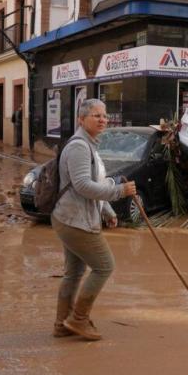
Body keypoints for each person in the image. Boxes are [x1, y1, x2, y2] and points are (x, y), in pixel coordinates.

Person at [51, 98, 136, 341]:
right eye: (96, 115)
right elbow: (82, 186)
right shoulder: (79, 146)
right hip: (75, 220)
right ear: (81, 119)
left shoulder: (89, 145)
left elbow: (93, 185)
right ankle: (78, 319)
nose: (102, 120)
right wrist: (120, 192)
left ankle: (61, 324)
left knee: (74, 273)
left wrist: (107, 210)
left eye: (104, 115)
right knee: (104, 266)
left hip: (71, 218)